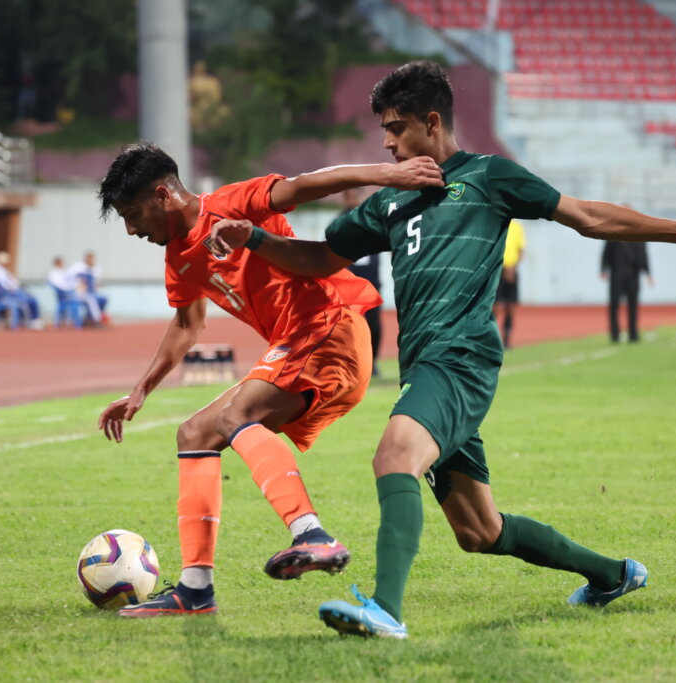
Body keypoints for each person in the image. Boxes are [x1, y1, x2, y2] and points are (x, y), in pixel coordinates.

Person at [209, 60, 676, 639]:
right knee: (480, 531)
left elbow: (587, 216)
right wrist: (257, 238)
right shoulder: (389, 203)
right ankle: (614, 574)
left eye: (396, 129)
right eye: (383, 132)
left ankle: (385, 612)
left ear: (432, 121)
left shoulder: (489, 177)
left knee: (394, 455)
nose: (388, 143)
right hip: (424, 367)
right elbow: (320, 258)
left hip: (461, 358)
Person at [95, 143, 444, 618]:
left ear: (163, 195)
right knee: (195, 433)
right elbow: (186, 324)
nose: (132, 229)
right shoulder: (178, 256)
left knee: (236, 415)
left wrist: (387, 173)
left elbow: (305, 184)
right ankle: (196, 590)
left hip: (328, 329)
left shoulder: (232, 204)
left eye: (133, 214)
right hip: (302, 347)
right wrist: (140, 390)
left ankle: (311, 535)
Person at [341, 188, 383, 376]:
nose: (352, 199)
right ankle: (350, 363)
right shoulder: (339, 221)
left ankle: (372, 363)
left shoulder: (370, 219)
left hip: (372, 282)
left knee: (374, 324)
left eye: (354, 195)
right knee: (348, 326)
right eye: (348, 195)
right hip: (349, 284)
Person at [601, 238, 652, 343]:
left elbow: (643, 254)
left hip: (634, 275)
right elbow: (606, 252)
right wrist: (604, 269)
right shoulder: (614, 234)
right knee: (614, 305)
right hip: (617, 274)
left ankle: (633, 335)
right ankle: (615, 335)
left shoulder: (640, 236)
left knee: (633, 306)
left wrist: (648, 273)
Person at [0, 251, 42, 329]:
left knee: (32, 299)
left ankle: (33, 320)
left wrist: (17, 288)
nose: (5, 263)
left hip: (12, 292)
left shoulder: (4, 270)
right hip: (2, 295)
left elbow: (14, 283)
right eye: (3, 262)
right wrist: (2, 291)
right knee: (23, 301)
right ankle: (26, 321)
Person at [495, 219, 526, 348]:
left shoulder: (517, 227)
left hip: (512, 271)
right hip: (497, 271)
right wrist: (502, 268)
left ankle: (506, 339)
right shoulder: (496, 224)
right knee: (495, 307)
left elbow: (521, 250)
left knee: (511, 307)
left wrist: (512, 269)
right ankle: (492, 338)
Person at [68, 251, 108, 326]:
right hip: (76, 292)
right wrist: (77, 285)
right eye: (90, 259)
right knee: (91, 299)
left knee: (102, 299)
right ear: (86, 259)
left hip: (88, 293)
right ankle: (97, 321)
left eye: (92, 259)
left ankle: (90, 318)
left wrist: (97, 286)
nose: (91, 261)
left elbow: (95, 283)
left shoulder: (94, 269)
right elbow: (68, 278)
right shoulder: (77, 267)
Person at [47, 256, 84, 328]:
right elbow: (60, 286)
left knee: (78, 298)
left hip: (69, 293)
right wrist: (71, 289)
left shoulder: (63, 272)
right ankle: (77, 325)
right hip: (63, 296)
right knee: (74, 302)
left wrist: (76, 286)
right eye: (61, 263)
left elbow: (71, 281)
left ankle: (78, 324)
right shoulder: (53, 274)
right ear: (57, 264)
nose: (63, 265)